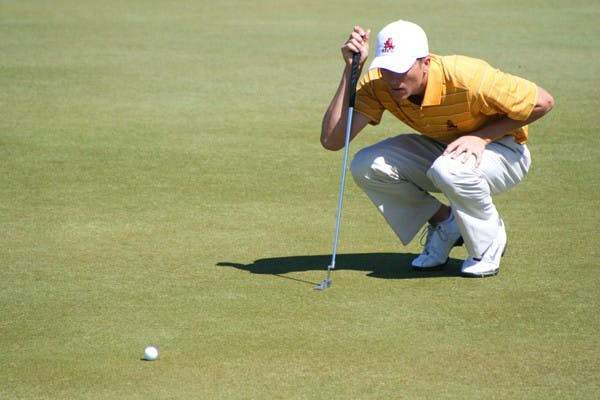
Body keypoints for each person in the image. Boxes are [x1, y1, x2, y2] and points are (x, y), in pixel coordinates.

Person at [321, 20, 554, 277]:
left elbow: (543, 102)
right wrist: (350, 70)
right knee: (367, 165)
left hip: (506, 151)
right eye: (387, 69)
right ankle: (446, 223)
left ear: (426, 63)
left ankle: (488, 241)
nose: (393, 80)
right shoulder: (379, 84)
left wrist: (481, 137)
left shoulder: (468, 76)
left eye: (402, 69)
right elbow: (332, 140)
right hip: (446, 149)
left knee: (450, 169)